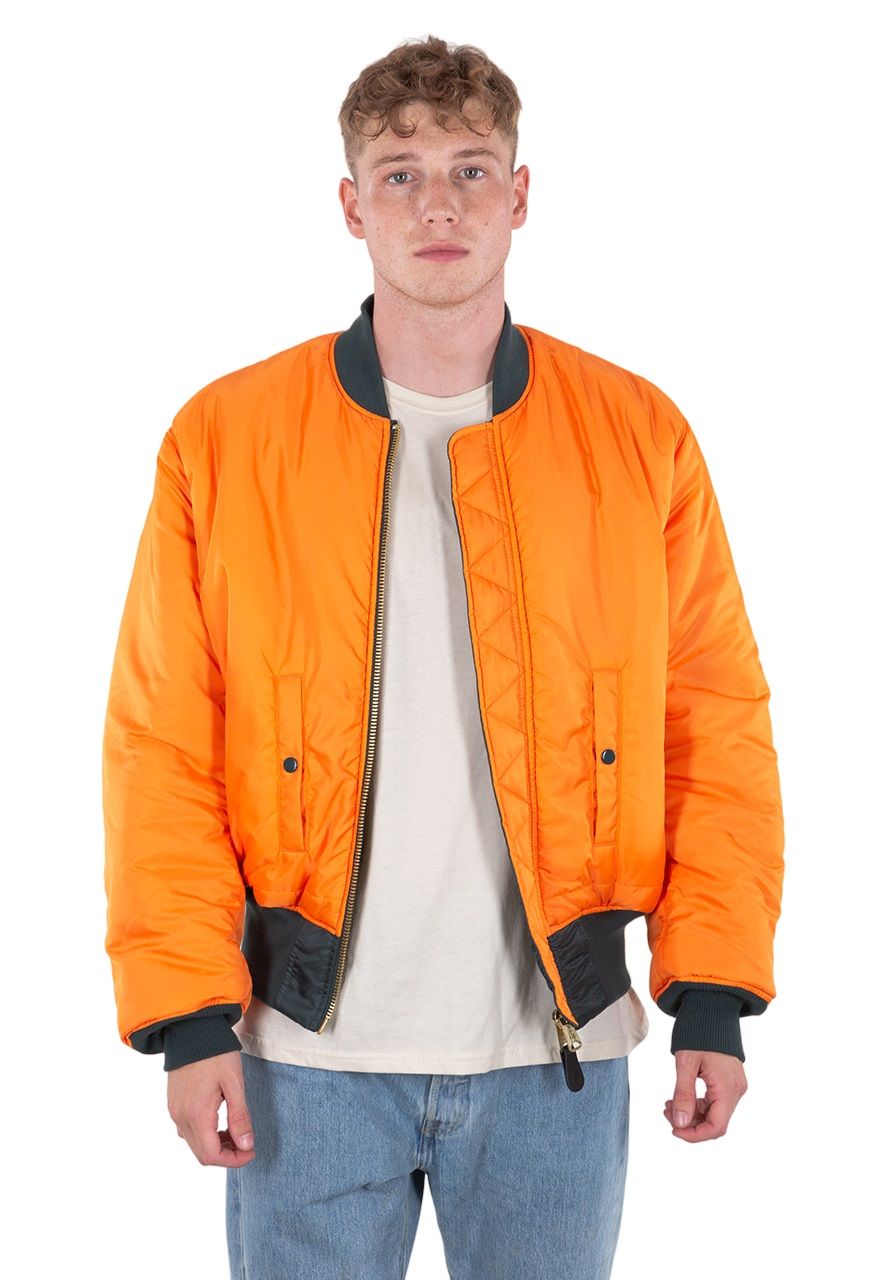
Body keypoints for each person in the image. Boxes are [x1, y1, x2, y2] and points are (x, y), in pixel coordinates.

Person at [102, 33, 785, 1280]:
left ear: (519, 196)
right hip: (299, 1055)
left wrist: (712, 989)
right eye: (401, 174)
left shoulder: (637, 436)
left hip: (555, 1056)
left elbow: (712, 721)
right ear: (350, 203)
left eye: (471, 170)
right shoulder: (224, 437)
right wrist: (189, 1014)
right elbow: (162, 744)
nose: (438, 206)